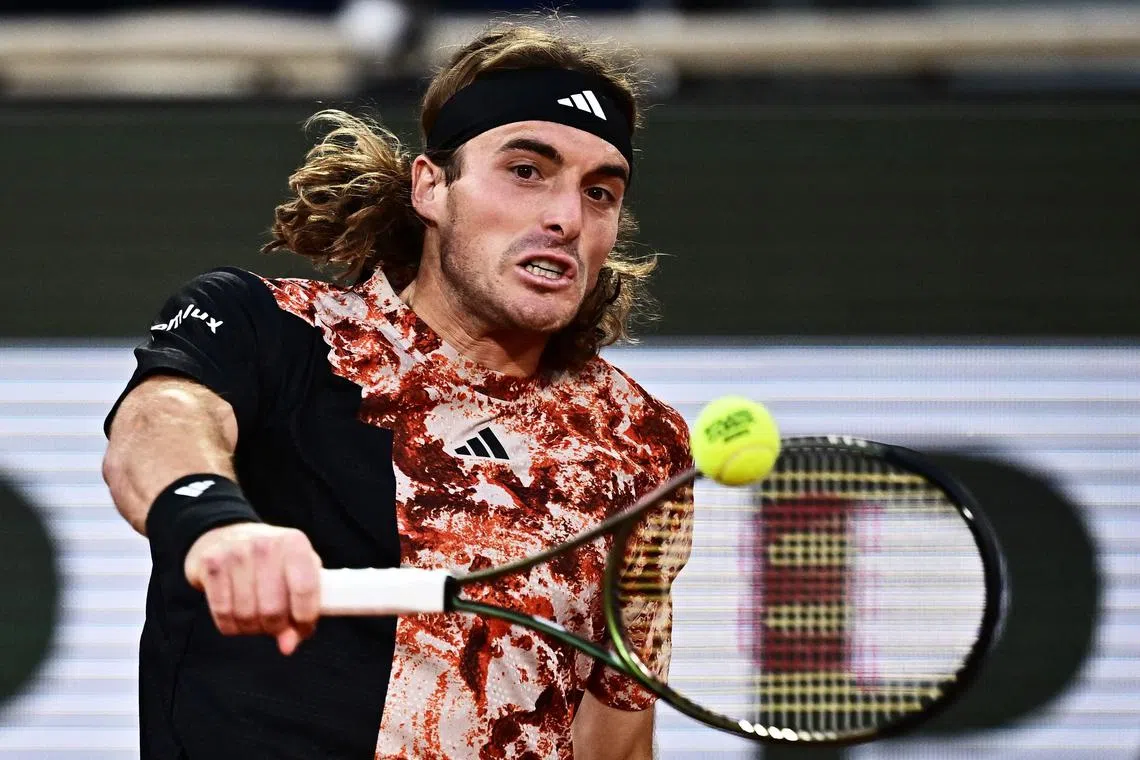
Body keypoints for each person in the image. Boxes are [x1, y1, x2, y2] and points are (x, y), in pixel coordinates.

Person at [102, 19, 692, 760]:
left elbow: (615, 741)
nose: (566, 217)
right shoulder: (271, 328)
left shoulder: (638, 443)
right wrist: (217, 525)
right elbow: (160, 422)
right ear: (431, 187)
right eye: (526, 170)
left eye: (600, 191)